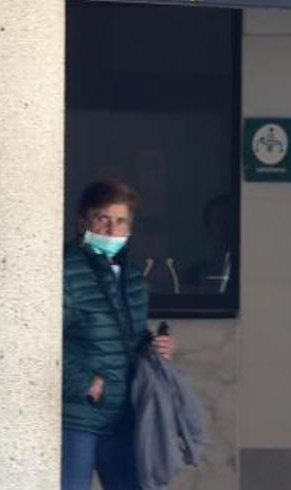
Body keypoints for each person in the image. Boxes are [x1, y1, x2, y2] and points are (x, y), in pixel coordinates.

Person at [62, 180, 174, 490]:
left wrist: (156, 347)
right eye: (103, 219)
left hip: (123, 413)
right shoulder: (63, 271)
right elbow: (38, 339)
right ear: (83, 221)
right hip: (78, 417)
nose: (112, 230)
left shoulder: (134, 278)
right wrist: (83, 382)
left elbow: (128, 338)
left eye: (120, 221)